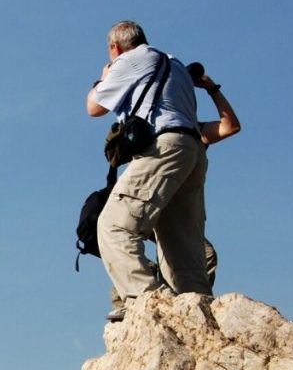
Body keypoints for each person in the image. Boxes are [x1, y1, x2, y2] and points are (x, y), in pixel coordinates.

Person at [87, 21, 209, 322]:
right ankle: (199, 315)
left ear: (115, 48)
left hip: (161, 148)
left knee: (114, 225)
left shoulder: (130, 60)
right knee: (183, 246)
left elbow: (94, 107)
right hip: (192, 150)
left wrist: (102, 79)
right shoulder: (176, 63)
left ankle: (148, 304)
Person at [106, 68, 241, 316]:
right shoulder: (155, 131)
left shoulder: (191, 131)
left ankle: (185, 307)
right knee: (131, 238)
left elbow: (229, 127)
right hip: (154, 207)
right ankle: (154, 303)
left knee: (200, 256)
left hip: (172, 212)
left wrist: (212, 89)